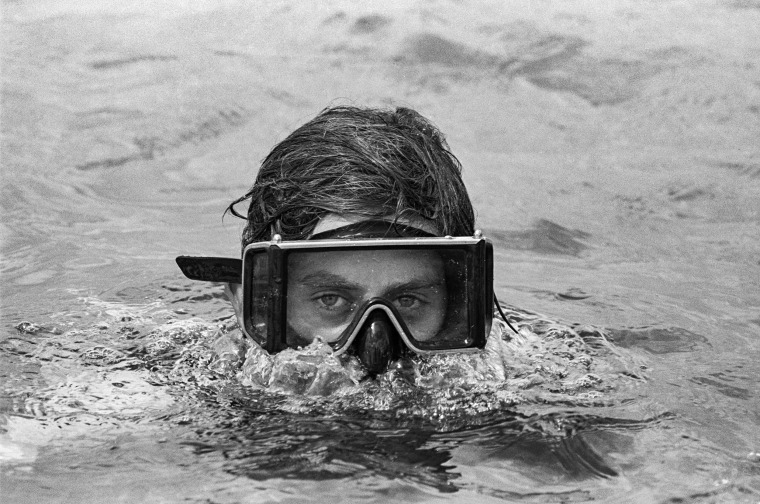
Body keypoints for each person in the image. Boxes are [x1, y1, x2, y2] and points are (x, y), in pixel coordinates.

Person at [177, 105, 515, 375]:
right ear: (249, 305)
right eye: (330, 301)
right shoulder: (165, 392)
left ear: (459, 308)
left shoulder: (530, 382)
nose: (375, 354)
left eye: (409, 301)